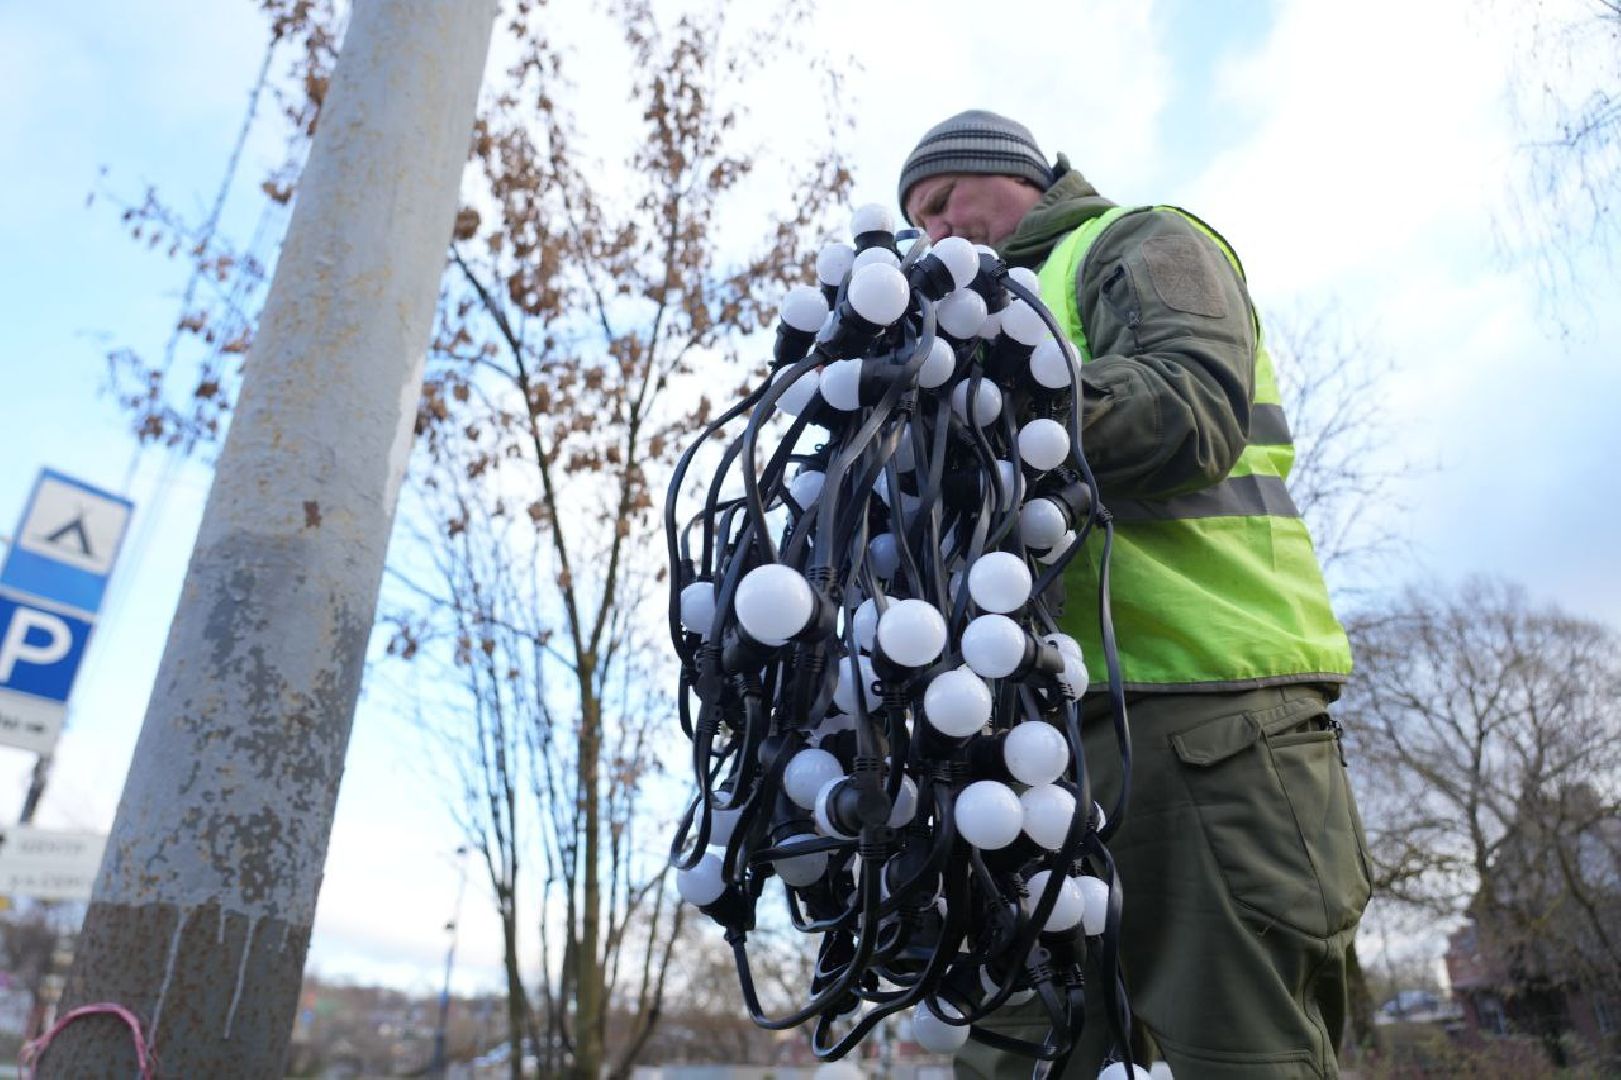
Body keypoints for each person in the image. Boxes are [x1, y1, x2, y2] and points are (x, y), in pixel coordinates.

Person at [898, 109, 1371, 1079]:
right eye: (918, 223)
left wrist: (986, 404)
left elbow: (1187, 410)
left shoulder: (1133, 242)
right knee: (1022, 1057)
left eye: (947, 202)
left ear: (1020, 177)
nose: (934, 234)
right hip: (1024, 766)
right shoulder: (938, 338)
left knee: (1239, 1052)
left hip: (1206, 729)